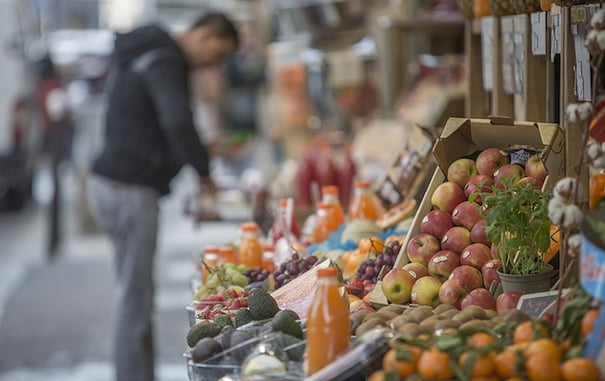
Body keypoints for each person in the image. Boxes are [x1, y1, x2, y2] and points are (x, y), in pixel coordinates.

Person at [86, 13, 239, 381]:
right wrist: (203, 173)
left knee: (134, 295)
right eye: (216, 54)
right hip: (128, 190)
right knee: (134, 301)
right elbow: (174, 120)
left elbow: (151, 123)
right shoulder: (165, 57)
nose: (212, 65)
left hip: (112, 184)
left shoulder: (150, 50)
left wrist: (196, 151)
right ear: (204, 34)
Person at [35, 54, 73, 259]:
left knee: (53, 197)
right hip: (53, 146)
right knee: (52, 197)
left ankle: (53, 242)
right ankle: (53, 242)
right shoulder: (53, 89)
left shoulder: (47, 90)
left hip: (52, 146)